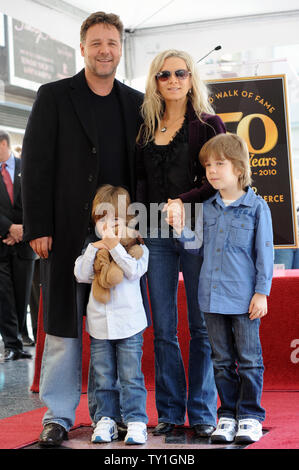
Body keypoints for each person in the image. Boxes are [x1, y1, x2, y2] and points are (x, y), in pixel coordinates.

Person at [21, 11, 144, 447]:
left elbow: (141, 171)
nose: (104, 50)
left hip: (119, 235)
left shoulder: (134, 102)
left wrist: (138, 231)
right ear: (82, 48)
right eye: (96, 43)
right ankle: (56, 415)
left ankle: (112, 414)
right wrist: (37, 225)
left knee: (117, 329)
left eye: (111, 42)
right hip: (65, 233)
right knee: (62, 328)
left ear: (120, 49)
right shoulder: (53, 95)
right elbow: (34, 165)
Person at [136, 49, 226, 437]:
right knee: (163, 329)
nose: (173, 80)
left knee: (202, 326)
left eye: (181, 73)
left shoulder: (208, 125)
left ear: (192, 79)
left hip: (197, 231)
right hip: (154, 235)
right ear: (155, 81)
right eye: (164, 74)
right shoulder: (144, 127)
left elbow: (219, 178)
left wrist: (183, 202)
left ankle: (203, 412)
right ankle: (171, 411)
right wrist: (137, 223)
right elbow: (139, 180)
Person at [166, 133, 274, 444]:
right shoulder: (208, 208)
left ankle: (250, 416)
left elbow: (264, 253)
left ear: (239, 168)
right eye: (208, 165)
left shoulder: (257, 208)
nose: (212, 171)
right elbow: (195, 247)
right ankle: (227, 415)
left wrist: (261, 292)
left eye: (220, 164)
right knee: (222, 360)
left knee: (250, 358)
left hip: (244, 300)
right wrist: (179, 230)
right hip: (211, 300)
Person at [74, 185, 149, 445]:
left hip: (129, 324)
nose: (107, 225)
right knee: (103, 376)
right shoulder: (91, 250)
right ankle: (106, 419)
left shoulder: (138, 247)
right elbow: (81, 275)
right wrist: (97, 248)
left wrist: (115, 246)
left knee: (131, 376)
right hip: (99, 327)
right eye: (101, 219)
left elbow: (133, 271)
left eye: (115, 219)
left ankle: (136, 421)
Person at [0, 130, 35, 361]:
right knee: (4, 296)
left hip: (24, 243)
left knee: (22, 295)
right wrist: (8, 228)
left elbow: (39, 199)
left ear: (3, 143)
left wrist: (23, 230)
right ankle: (11, 344)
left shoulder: (28, 166)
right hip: (1, 241)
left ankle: (20, 337)